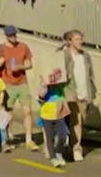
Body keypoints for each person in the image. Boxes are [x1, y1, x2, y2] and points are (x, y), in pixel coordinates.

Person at [0, 25, 38, 151]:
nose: (13, 37)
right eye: (10, 35)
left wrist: (21, 67)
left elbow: (30, 64)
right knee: (8, 113)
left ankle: (29, 139)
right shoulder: (0, 49)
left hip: (22, 83)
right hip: (7, 84)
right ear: (6, 36)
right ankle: (6, 138)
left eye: (14, 34)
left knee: (27, 111)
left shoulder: (23, 47)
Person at [60, 30, 95, 162]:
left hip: (84, 93)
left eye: (81, 39)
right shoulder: (65, 55)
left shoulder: (86, 56)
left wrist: (92, 91)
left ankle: (72, 141)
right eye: (77, 39)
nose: (80, 42)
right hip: (71, 93)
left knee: (81, 121)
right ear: (70, 41)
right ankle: (76, 149)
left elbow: (90, 75)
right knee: (76, 121)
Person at [37, 69, 71, 168]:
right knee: (50, 138)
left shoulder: (60, 86)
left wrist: (66, 75)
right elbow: (40, 96)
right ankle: (53, 157)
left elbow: (67, 80)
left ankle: (59, 153)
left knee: (63, 136)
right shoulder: (45, 87)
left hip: (59, 115)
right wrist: (44, 85)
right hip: (47, 116)